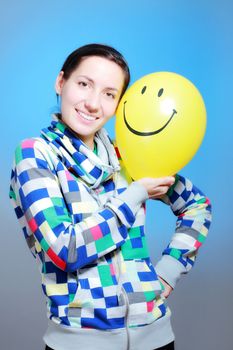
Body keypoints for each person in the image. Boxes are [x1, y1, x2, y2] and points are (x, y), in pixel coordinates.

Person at [9, 43, 212, 350]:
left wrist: (168, 272)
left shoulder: (128, 156)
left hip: (156, 337)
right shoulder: (35, 155)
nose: (93, 103)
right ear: (61, 82)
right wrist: (134, 196)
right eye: (83, 84)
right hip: (78, 343)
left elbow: (197, 207)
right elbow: (64, 249)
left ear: (119, 103)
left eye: (109, 94)